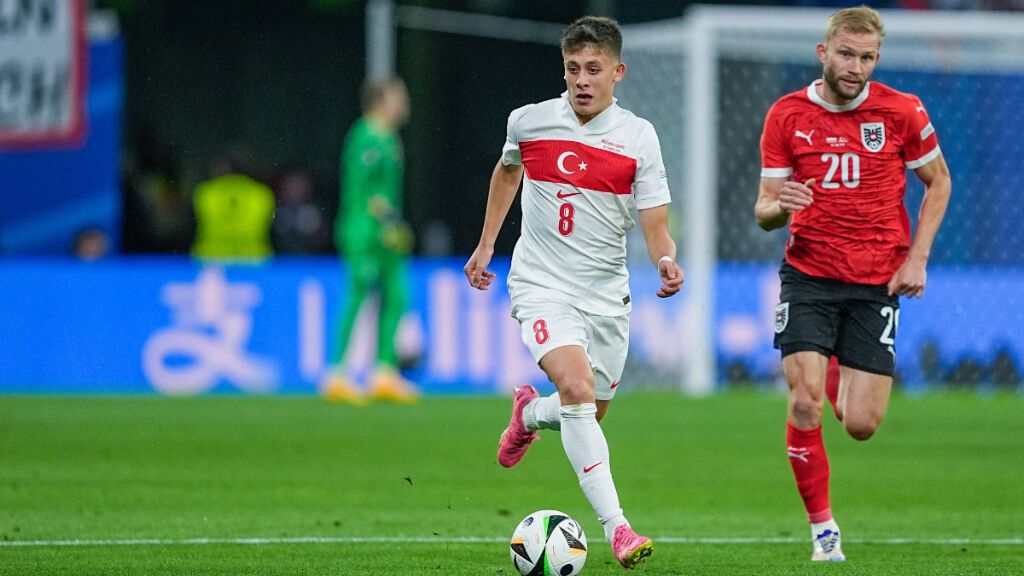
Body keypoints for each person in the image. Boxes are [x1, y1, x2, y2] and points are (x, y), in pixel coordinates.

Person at [464, 16, 684, 570]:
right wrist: (487, 244)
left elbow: (654, 217)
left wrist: (664, 257)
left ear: (617, 72)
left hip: (608, 296)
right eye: (571, 69)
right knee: (578, 388)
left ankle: (529, 415)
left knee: (586, 409)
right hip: (541, 284)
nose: (581, 80)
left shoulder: (638, 137)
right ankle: (620, 529)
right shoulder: (530, 121)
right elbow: (507, 171)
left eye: (593, 69)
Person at [754, 6, 952, 562]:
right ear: (824, 52)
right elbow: (764, 208)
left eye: (866, 57)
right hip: (809, 275)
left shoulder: (901, 111)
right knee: (806, 403)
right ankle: (824, 532)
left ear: (876, 60)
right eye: (846, 54)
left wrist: (918, 258)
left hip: (876, 282)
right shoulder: (787, 115)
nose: (855, 66)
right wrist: (778, 206)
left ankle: (836, 359)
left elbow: (939, 184)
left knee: (861, 425)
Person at [321, 77, 417, 405]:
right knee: (358, 294)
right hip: (364, 229)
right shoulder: (366, 135)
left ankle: (384, 371)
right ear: (381, 101)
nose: (404, 103)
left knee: (397, 294)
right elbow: (364, 191)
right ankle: (336, 373)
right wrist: (385, 220)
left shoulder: (389, 138)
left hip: (386, 231)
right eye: (398, 97)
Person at [191, 150, 275, 262]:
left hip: (211, 260)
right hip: (253, 260)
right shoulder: (261, 193)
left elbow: (192, 225)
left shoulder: (205, 192)